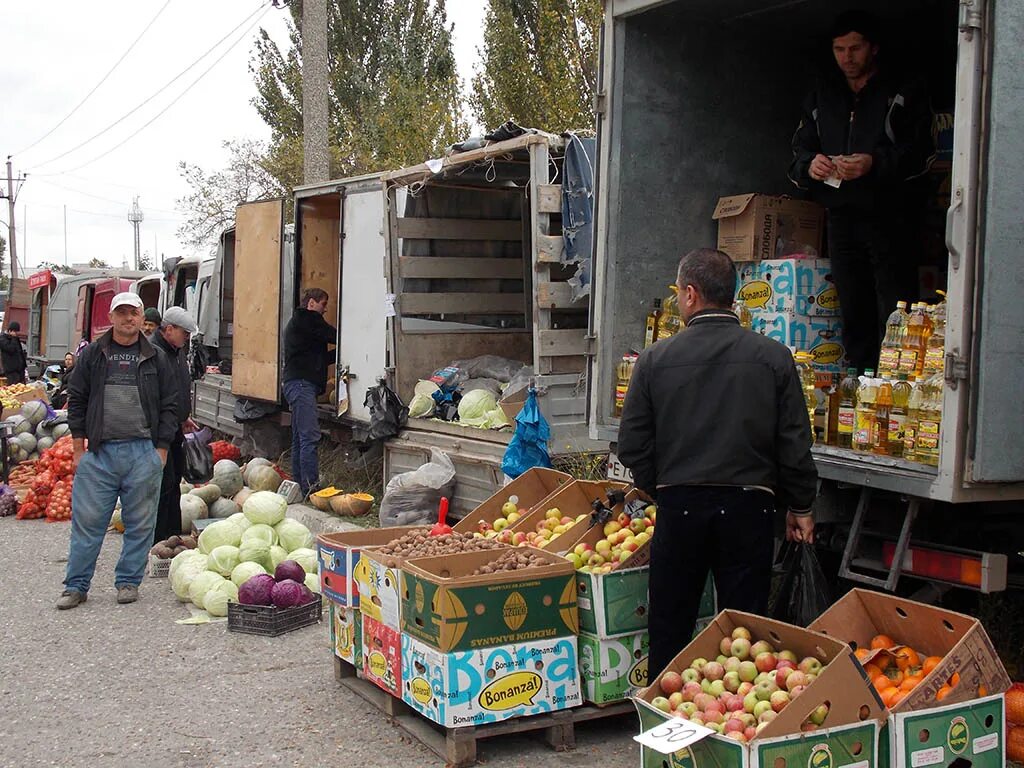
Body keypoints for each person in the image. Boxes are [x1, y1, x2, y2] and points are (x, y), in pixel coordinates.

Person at [617, 248, 818, 675]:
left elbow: (633, 445)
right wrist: (799, 505)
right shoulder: (773, 357)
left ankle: (665, 728)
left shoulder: (656, 359)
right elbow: (795, 445)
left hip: (680, 505)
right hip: (750, 508)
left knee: (670, 624)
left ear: (690, 294)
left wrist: (665, 485)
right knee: (745, 631)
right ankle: (738, 723)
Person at [789, 10, 934, 372]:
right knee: (852, 302)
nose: (847, 58)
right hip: (841, 216)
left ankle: (896, 379)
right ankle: (858, 376)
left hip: (892, 214)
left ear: (873, 48)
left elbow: (923, 154)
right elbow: (797, 155)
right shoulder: (822, 94)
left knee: (895, 302)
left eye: (855, 48)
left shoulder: (902, 89)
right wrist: (811, 166)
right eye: (839, 49)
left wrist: (874, 163)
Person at [57, 292, 178, 610]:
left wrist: (161, 450)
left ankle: (128, 581)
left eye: (133, 313)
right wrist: (77, 447)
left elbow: (170, 405)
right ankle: (76, 585)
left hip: (143, 452)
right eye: (121, 312)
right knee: (88, 522)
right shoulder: (94, 355)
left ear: (142, 318)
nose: (128, 319)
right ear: (111, 317)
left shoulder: (156, 357)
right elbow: (78, 399)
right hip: (100, 452)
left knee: (140, 523)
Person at [150, 306, 200, 545]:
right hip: (160, 431)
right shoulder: (154, 352)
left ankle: (172, 535)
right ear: (169, 329)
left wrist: (183, 416)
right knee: (163, 485)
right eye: (184, 333)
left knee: (174, 483)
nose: (187, 338)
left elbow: (178, 388)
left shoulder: (175, 351)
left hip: (175, 428)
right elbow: (157, 397)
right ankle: (158, 540)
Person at [282, 288, 336, 496]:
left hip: (296, 384)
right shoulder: (308, 318)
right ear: (311, 303)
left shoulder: (301, 326)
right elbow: (334, 334)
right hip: (302, 385)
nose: (325, 310)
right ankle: (311, 488)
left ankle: (298, 484)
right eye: (323, 304)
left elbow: (319, 357)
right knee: (310, 436)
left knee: (299, 437)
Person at [1, 321, 28, 385]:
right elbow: (11, 349)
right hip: (11, 371)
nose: (16, 333)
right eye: (15, 331)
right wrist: (13, 338)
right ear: (10, 331)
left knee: (22, 389)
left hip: (20, 370)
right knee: (14, 388)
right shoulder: (2, 339)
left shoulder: (15, 338)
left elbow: (19, 352)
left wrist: (24, 365)